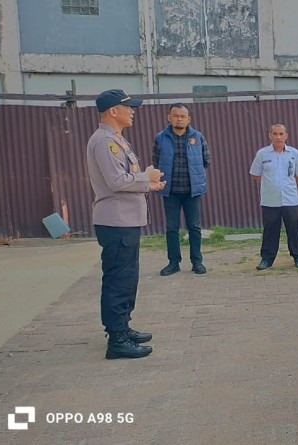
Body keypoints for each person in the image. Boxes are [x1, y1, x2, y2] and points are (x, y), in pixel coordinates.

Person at [85, 89, 164, 360]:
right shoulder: (104, 142)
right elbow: (117, 181)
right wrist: (146, 177)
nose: (133, 111)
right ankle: (116, 340)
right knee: (119, 280)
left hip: (126, 220)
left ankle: (122, 327)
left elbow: (126, 178)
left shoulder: (118, 140)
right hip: (116, 221)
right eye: (128, 107)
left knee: (128, 278)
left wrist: (149, 183)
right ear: (113, 112)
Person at [153, 103, 210, 276]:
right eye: (176, 115)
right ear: (169, 118)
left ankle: (197, 262)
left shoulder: (197, 137)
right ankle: (173, 262)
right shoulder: (161, 138)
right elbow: (156, 162)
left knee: (194, 227)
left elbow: (206, 160)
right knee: (171, 227)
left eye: (183, 116)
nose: (179, 119)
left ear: (188, 119)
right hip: (170, 191)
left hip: (192, 191)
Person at [249, 124, 298, 270]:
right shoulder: (262, 154)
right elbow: (255, 174)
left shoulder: (294, 153)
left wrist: (289, 185)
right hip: (270, 200)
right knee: (270, 230)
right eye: (275, 134)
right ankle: (266, 259)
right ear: (270, 136)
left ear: (286, 136)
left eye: (281, 134)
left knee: (294, 229)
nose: (278, 137)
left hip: (291, 199)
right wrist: (270, 186)